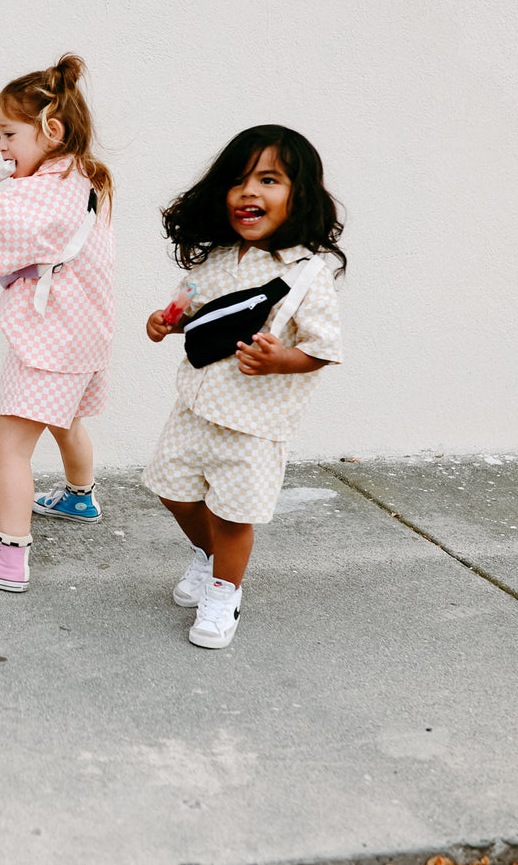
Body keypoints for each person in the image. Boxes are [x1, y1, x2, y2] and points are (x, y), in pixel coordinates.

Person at [143, 124, 345, 648]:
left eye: (270, 180)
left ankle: (224, 592)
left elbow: (323, 348)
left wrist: (282, 359)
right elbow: (194, 311)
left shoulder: (306, 273)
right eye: (238, 181)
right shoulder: (216, 257)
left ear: (299, 197)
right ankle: (208, 557)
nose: (250, 192)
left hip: (254, 425)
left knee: (233, 517)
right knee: (174, 493)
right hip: (195, 407)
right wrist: (167, 323)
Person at [0, 54, 115, 592]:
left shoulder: (30, 194)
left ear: (51, 130)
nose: (0, 147)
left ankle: (9, 556)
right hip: (85, 335)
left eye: (7, 134)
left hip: (48, 340)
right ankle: (80, 495)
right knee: (64, 420)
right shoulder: (87, 177)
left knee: (11, 447)